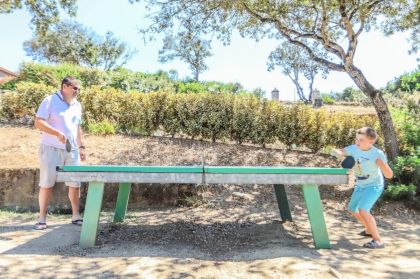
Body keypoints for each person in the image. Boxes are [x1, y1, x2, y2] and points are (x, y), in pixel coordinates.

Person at [33, 76, 86, 230]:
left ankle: (76, 215)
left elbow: (78, 127)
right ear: (65, 86)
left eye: (78, 88)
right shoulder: (50, 100)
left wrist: (82, 147)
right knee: (47, 184)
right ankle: (42, 218)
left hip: (72, 150)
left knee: (75, 184)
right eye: (75, 88)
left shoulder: (77, 105)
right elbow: (38, 122)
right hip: (50, 148)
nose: (77, 91)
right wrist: (56, 133)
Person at [331, 127, 393, 249]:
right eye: (356, 139)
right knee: (352, 209)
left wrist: (381, 164)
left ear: (371, 142)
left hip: (374, 185)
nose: (357, 142)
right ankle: (369, 229)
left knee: (363, 210)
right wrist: (337, 153)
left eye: (361, 140)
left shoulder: (377, 154)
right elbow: (339, 151)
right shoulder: (354, 148)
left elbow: (389, 175)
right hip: (360, 184)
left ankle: (378, 240)